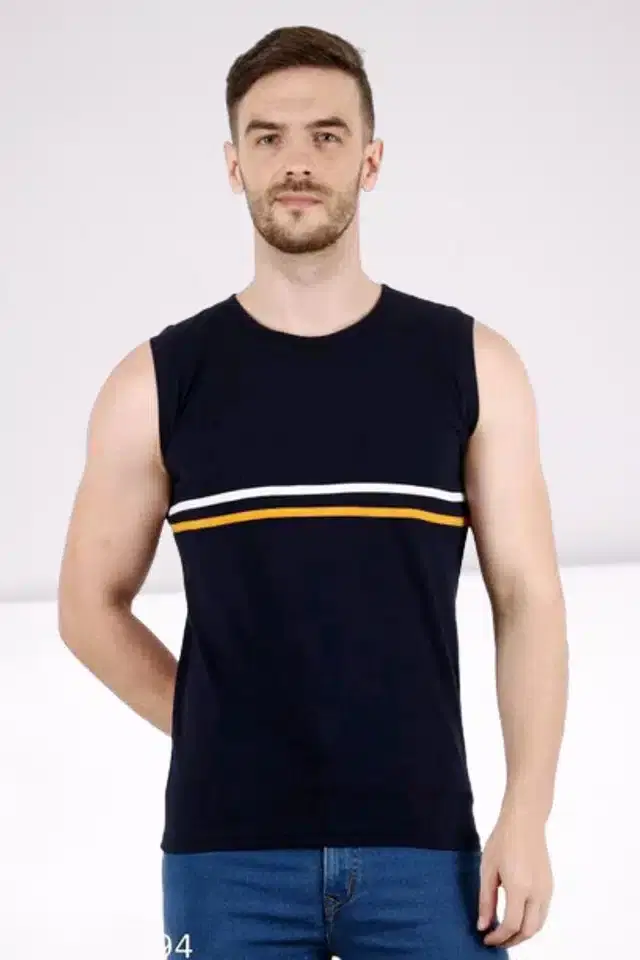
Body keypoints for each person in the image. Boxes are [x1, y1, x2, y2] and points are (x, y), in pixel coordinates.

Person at [57, 24, 568, 960]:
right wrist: (213, 729)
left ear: (371, 160)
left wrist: (526, 813)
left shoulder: (471, 365)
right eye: (269, 137)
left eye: (327, 136)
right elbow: (88, 607)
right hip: (226, 855)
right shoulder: (156, 384)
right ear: (233, 163)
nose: (297, 161)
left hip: (427, 850)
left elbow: (528, 597)